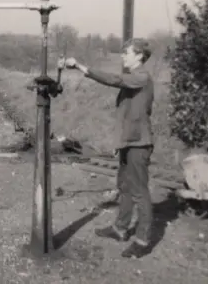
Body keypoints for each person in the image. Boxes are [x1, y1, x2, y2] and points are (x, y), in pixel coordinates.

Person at [64, 38, 154, 258]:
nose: (123, 56)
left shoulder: (141, 77)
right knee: (124, 186)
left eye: (127, 53)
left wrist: (80, 66)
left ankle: (142, 241)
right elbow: (126, 116)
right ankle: (120, 229)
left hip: (139, 144)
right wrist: (119, 143)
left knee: (140, 193)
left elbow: (113, 79)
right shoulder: (134, 79)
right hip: (128, 142)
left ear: (139, 56)